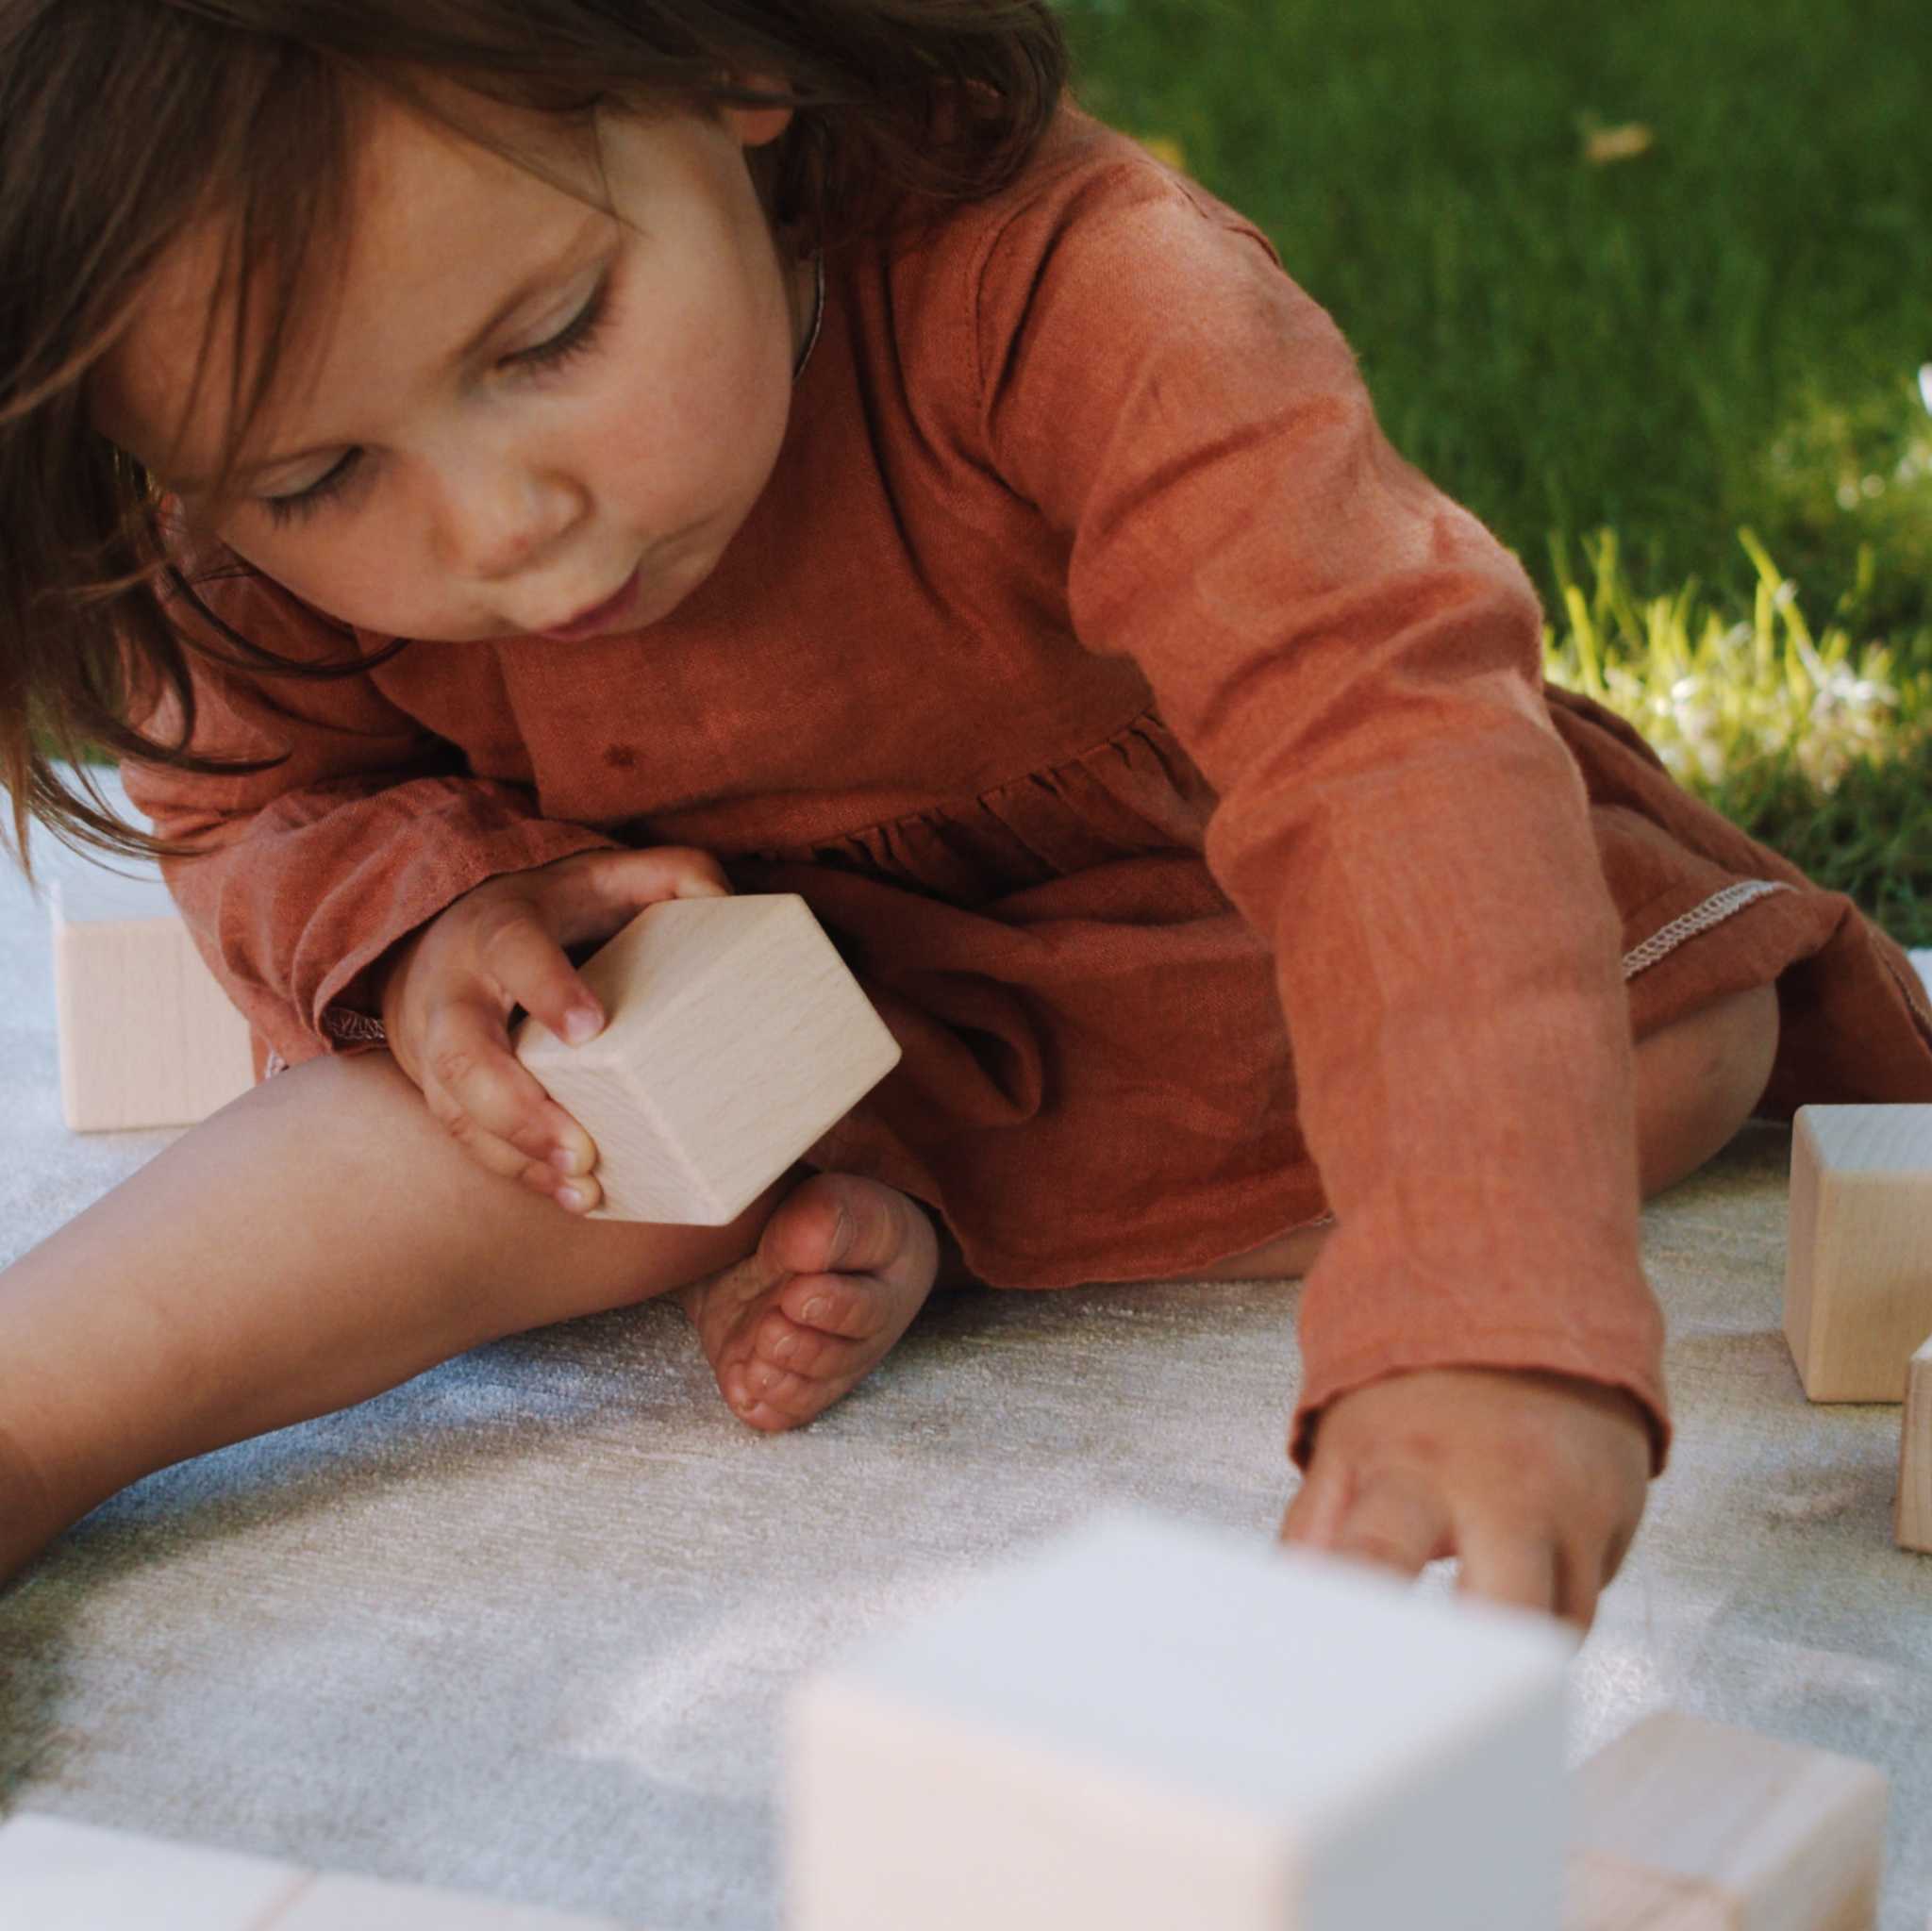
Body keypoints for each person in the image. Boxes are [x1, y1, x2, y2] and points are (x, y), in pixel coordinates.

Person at [2, 0, 1927, 1627]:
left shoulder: (1077, 293)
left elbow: (1379, 739)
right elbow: (248, 781)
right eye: (325, 473)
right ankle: (36, 1405)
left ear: (725, 61)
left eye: (551, 338)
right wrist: (427, 921)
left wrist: (1482, 1289)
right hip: (700, 986)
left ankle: (927, 1174)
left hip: (1190, 927)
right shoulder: (227, 512)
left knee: (1666, 1033)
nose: (499, 528)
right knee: (540, 1122)